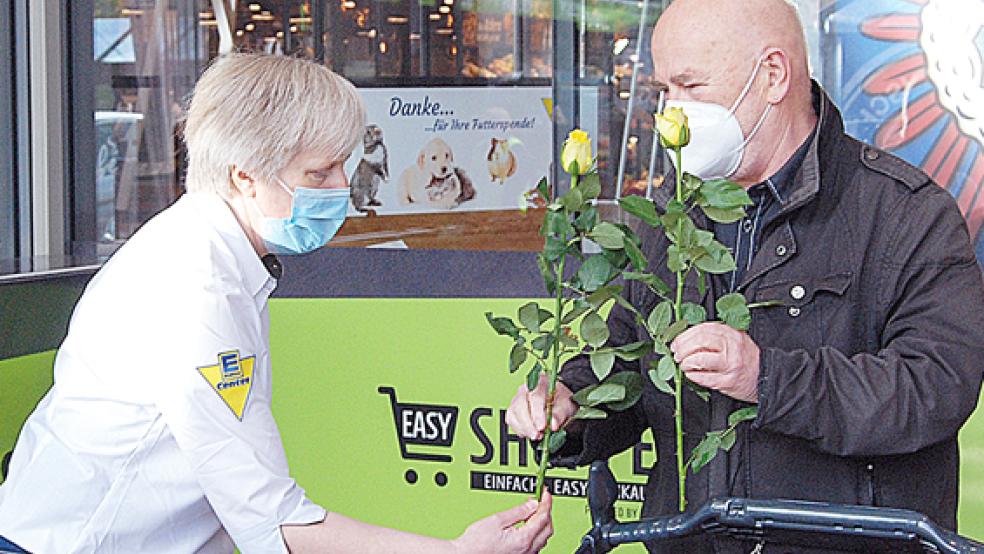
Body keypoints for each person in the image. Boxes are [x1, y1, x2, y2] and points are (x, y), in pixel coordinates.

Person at [0, 53, 552, 553]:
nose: (341, 187)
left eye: (343, 164)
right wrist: (454, 553)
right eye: (318, 173)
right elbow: (273, 518)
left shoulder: (225, 255)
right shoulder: (196, 289)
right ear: (245, 174)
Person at [507, 0, 984, 552]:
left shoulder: (903, 213)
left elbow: (935, 389)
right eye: (664, 90)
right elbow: (630, 359)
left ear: (773, 76)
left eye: (690, 86)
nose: (671, 112)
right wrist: (569, 402)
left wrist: (768, 379)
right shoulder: (672, 213)